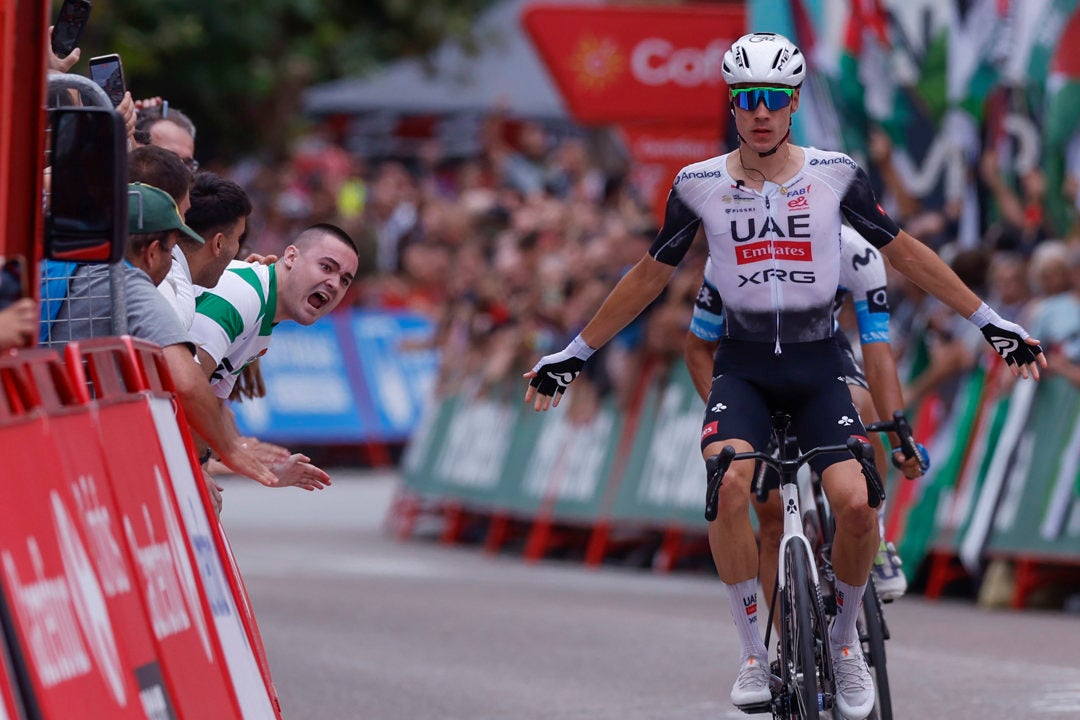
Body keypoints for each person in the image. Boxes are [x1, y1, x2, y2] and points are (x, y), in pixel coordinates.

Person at [523, 32, 1045, 720]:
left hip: (818, 363)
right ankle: (752, 654)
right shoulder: (698, 184)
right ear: (733, 105)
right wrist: (573, 354)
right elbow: (648, 278)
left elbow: (907, 254)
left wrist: (991, 321)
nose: (761, 111)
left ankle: (846, 644)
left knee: (856, 504)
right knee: (728, 483)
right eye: (748, 99)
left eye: (774, 98)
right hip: (742, 368)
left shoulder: (835, 173)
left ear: (794, 102)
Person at [685, 225, 928, 606]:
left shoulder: (856, 252)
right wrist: (737, 424)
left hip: (820, 355)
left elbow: (878, 353)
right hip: (749, 367)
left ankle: (875, 533)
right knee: (771, 522)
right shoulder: (732, 250)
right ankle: (785, 640)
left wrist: (900, 437)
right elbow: (699, 347)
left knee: (860, 405)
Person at [188, 223, 361, 491]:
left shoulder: (262, 318)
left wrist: (256, 466)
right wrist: (198, 468)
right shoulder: (241, 296)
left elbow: (212, 405)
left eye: (345, 280)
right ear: (291, 256)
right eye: (327, 267)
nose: (335, 283)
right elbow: (187, 389)